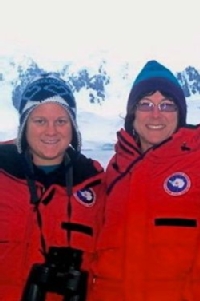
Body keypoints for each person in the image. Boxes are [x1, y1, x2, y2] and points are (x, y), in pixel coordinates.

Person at [89, 60, 200, 301]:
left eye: (167, 105)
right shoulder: (114, 170)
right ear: (133, 114)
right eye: (145, 104)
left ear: (180, 114)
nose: (156, 114)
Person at [0, 73, 105, 301]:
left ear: (73, 127)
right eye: (40, 121)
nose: (51, 131)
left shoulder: (96, 186)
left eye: (61, 121)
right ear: (24, 127)